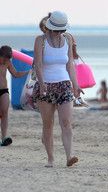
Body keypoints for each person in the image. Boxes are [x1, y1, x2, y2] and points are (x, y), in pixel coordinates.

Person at [32, 11, 82, 167]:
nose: (59, 33)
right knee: (48, 124)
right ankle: (51, 158)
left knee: (66, 122)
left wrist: (75, 84)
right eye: (56, 29)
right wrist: (41, 84)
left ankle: (69, 156)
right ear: (49, 27)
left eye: (62, 30)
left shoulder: (67, 39)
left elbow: (70, 65)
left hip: (64, 84)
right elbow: (38, 64)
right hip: (45, 85)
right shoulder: (40, 41)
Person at [0, 46, 29, 146]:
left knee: (5, 112)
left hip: (3, 90)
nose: (5, 61)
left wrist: (28, 72)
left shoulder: (7, 62)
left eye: (7, 59)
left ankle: (4, 138)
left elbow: (15, 74)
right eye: (4, 59)